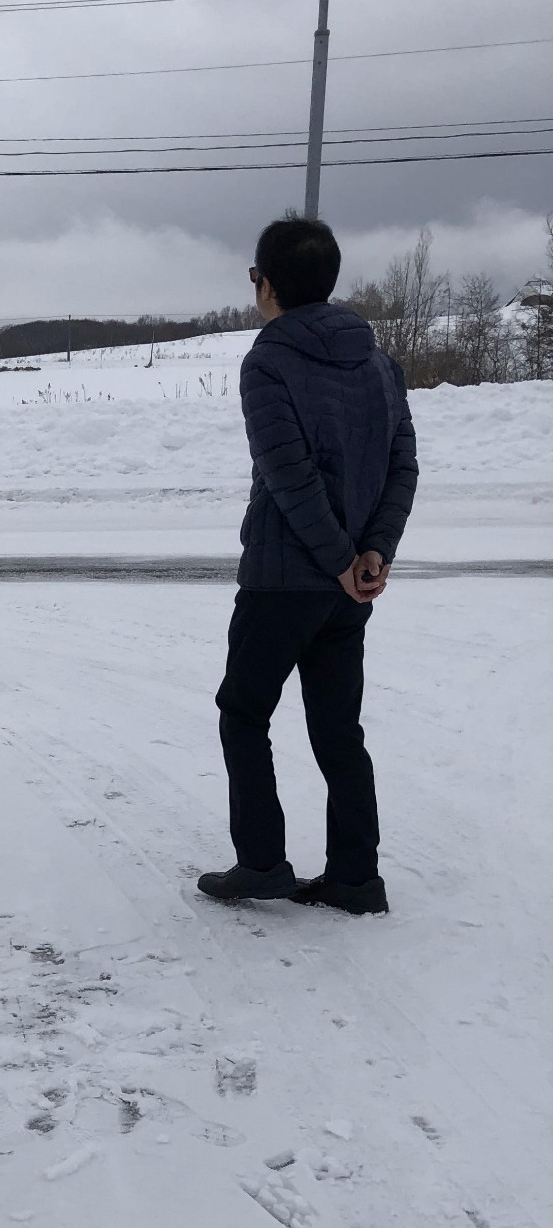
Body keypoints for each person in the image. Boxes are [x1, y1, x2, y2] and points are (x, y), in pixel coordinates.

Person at [198, 216, 417, 916]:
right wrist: (369, 556)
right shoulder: (379, 362)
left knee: (242, 713)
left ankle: (262, 863)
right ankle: (356, 878)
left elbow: (289, 478)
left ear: (267, 284)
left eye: (254, 276)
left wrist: (342, 560)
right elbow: (400, 468)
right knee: (337, 728)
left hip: (284, 579)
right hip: (348, 587)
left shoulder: (267, 361)